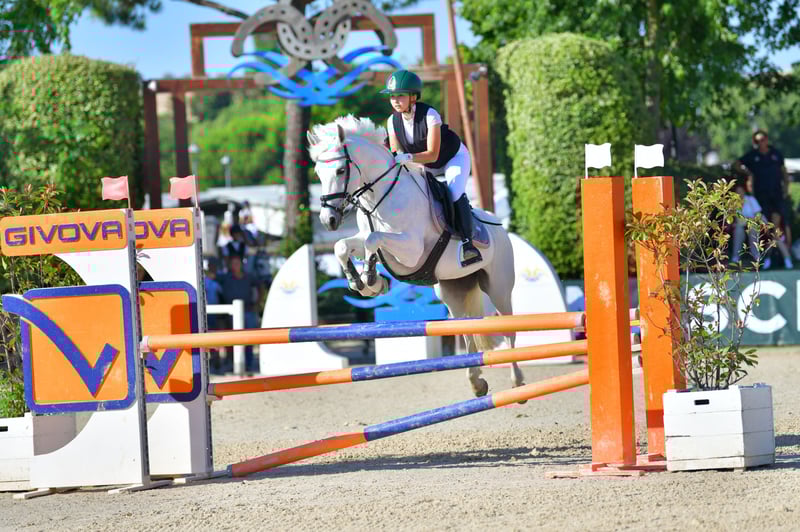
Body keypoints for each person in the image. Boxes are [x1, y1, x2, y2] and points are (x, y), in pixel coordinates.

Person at [379, 69, 482, 267]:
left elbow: (432, 154)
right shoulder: (392, 121)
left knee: (453, 192)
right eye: (392, 96)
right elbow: (396, 151)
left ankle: (468, 243)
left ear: (413, 96)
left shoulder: (429, 114)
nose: (395, 101)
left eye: (400, 95)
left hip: (452, 158)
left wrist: (407, 157)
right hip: (423, 165)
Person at [735, 129, 794, 268]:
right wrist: (748, 173)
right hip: (761, 199)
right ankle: (767, 258)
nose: (760, 143)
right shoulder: (752, 156)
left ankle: (786, 257)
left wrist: (786, 188)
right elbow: (736, 164)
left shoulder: (776, 154)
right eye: (757, 141)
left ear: (766, 139)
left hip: (777, 197)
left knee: (778, 227)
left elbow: (784, 172)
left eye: (762, 139)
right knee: (765, 230)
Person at [219, 254, 264, 373]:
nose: (235, 266)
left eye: (237, 263)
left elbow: (260, 286)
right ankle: (233, 364)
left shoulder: (249, 277)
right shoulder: (225, 278)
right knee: (232, 340)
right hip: (231, 313)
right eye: (233, 263)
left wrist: (258, 302)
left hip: (248, 311)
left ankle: (248, 364)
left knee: (249, 339)